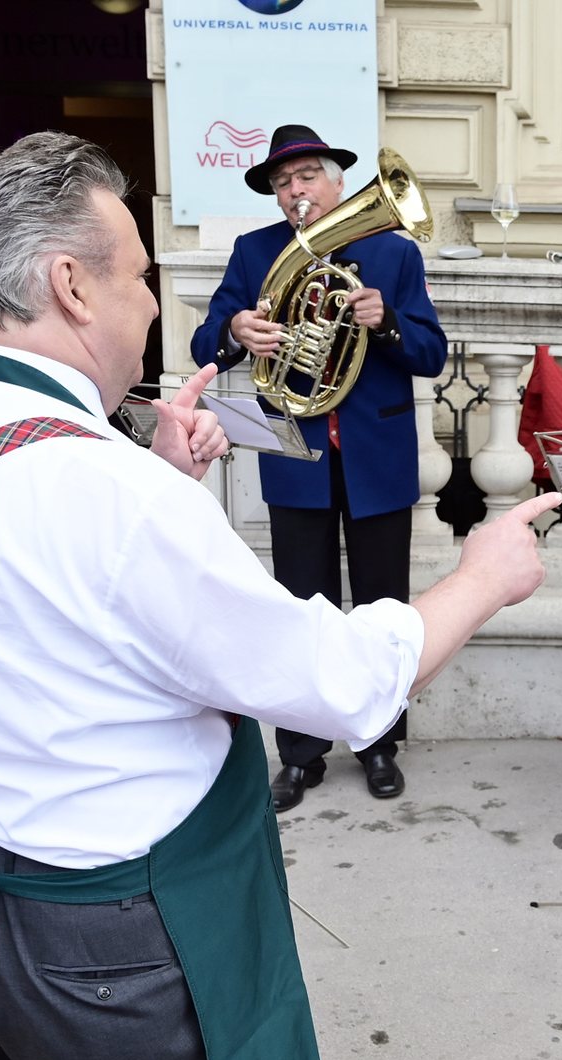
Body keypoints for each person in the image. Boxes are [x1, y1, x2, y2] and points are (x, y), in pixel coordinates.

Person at [0, 132, 558, 1060]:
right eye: (131, 272)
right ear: (69, 286)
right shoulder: (99, 487)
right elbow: (330, 683)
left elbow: (30, 624)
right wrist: (480, 575)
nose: (148, 299)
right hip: (103, 940)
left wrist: (162, 480)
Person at [192, 123, 448, 811]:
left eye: (307, 174)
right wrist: (235, 330)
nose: (295, 189)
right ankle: (301, 754)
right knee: (300, 609)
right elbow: (203, 339)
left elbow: (431, 353)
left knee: (381, 606)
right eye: (283, 181)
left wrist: (387, 320)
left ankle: (379, 744)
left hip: (376, 454)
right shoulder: (255, 253)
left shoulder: (391, 254)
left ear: (338, 181)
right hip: (297, 455)